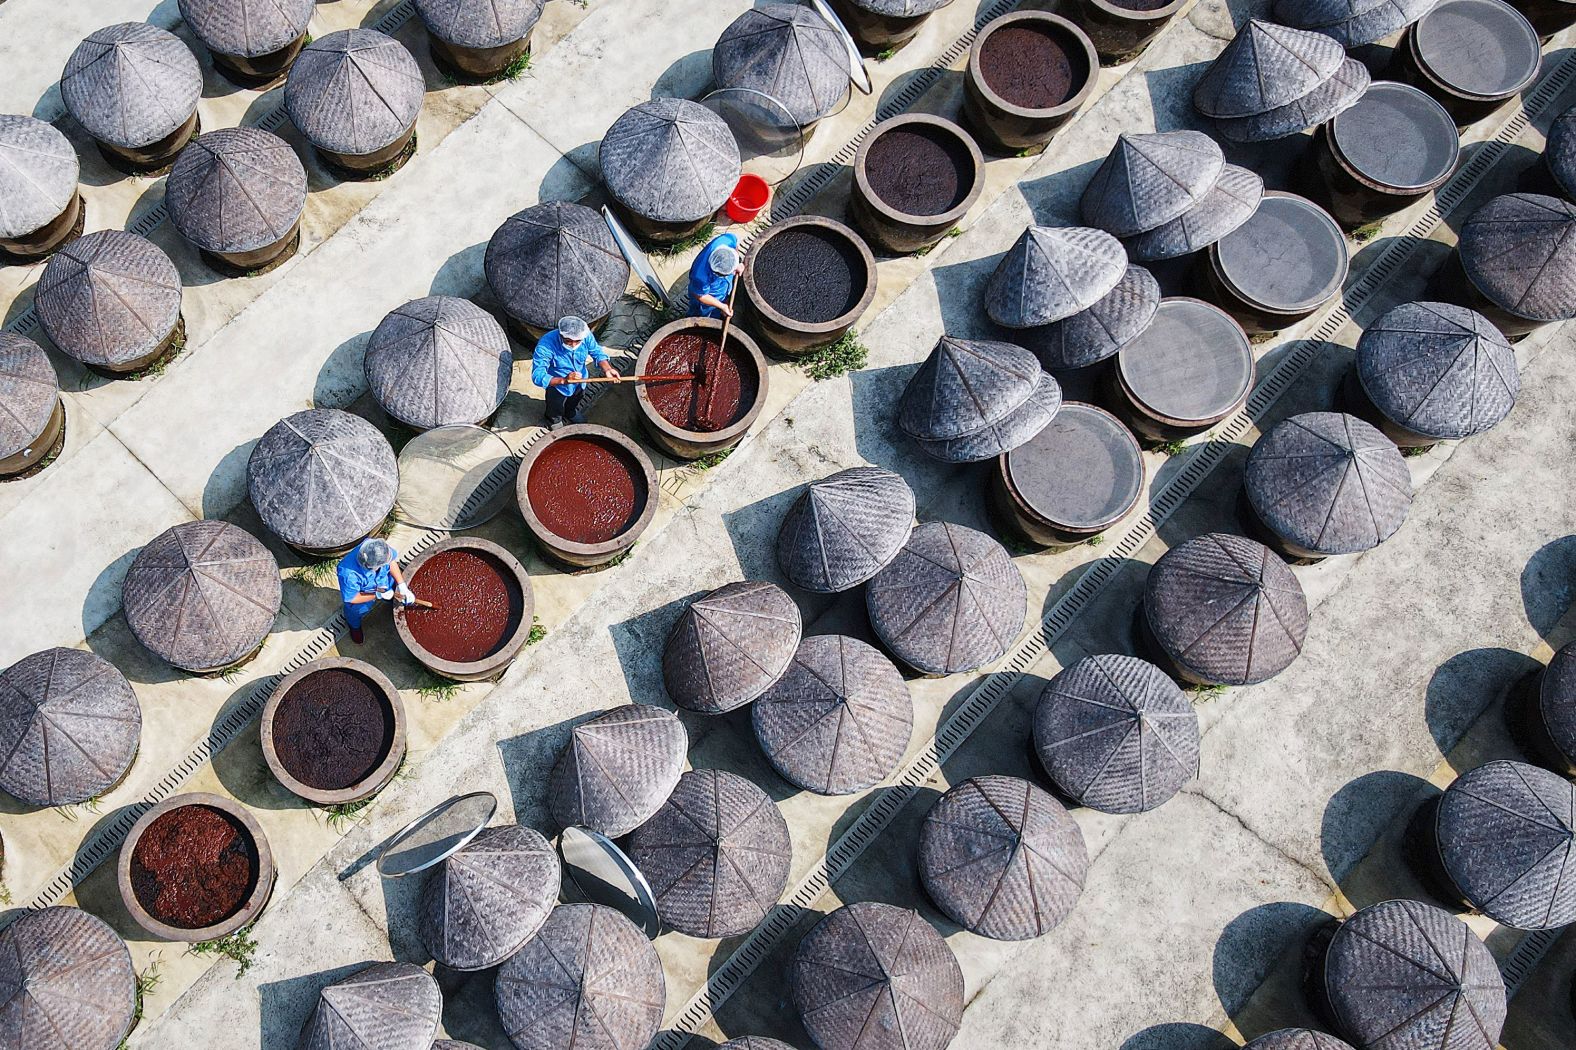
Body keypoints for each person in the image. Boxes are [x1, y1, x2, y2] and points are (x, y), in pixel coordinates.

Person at [532, 315, 618, 429]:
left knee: (575, 399)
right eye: (568, 341)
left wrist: (607, 368)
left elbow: (597, 352)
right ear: (560, 334)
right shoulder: (546, 344)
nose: (573, 345)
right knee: (554, 405)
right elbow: (538, 375)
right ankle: (553, 420)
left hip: (581, 381)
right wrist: (563, 380)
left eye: (577, 341)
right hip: (557, 386)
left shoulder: (585, 335)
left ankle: (570, 412)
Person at [336, 538, 413, 644]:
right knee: (356, 611)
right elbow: (353, 597)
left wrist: (401, 584)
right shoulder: (348, 574)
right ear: (372, 567)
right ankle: (354, 627)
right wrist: (377, 595)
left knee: (393, 589)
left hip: (382, 580)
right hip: (364, 594)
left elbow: (391, 562)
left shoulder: (377, 547)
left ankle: (391, 599)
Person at [689, 233, 743, 318]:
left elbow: (735, 246)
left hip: (721, 287)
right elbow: (700, 295)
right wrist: (722, 306)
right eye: (730, 272)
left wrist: (737, 264)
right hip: (708, 296)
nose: (734, 273)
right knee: (702, 313)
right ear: (716, 272)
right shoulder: (700, 276)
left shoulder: (727, 240)